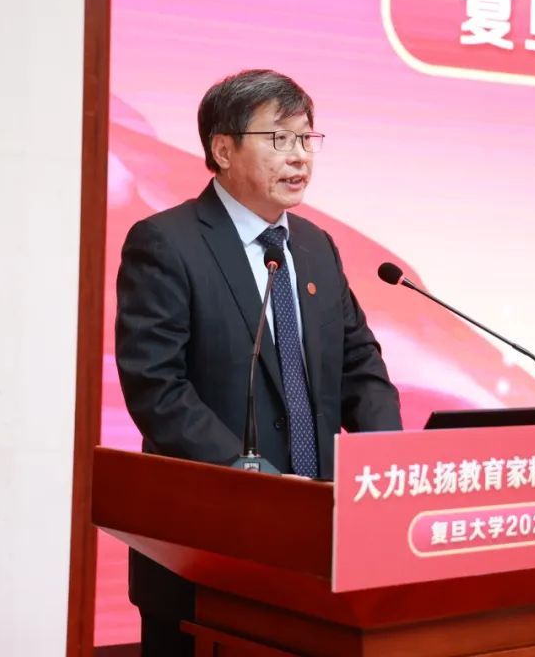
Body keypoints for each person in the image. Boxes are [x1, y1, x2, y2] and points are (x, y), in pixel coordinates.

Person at [114, 69, 402, 655]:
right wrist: (256, 483)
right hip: (208, 546)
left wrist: (388, 466)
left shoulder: (315, 246)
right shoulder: (166, 242)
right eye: (279, 139)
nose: (299, 157)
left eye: (306, 139)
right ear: (223, 150)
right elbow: (157, 388)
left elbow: (359, 365)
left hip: (319, 546)